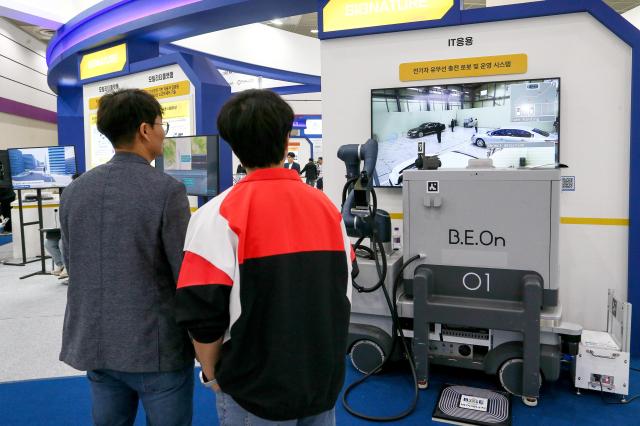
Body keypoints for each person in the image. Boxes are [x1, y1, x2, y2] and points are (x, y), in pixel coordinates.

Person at [175, 89, 355, 425]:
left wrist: (212, 375)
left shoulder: (216, 215)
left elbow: (201, 310)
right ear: (287, 139)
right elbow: (343, 286)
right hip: (321, 379)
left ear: (232, 144)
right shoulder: (328, 208)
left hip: (253, 389)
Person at [59, 89, 194, 426]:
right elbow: (185, 275)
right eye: (163, 124)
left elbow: (73, 264)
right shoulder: (167, 190)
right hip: (156, 349)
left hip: (97, 344)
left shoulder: (74, 191)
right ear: (145, 129)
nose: (164, 133)